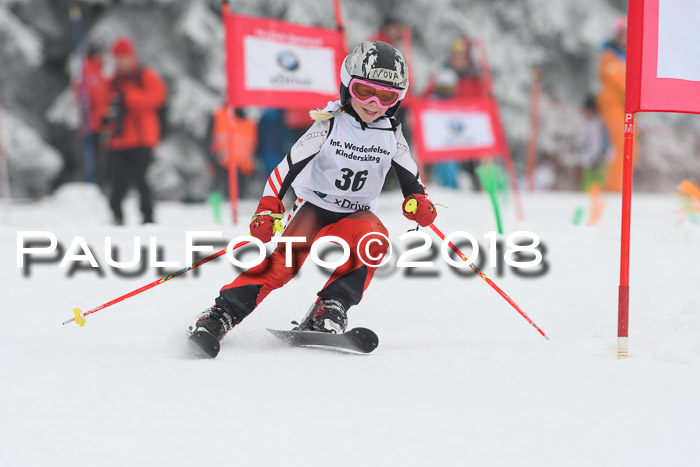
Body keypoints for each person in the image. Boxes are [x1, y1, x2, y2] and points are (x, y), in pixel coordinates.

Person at [189, 41, 437, 357]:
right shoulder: (330, 122)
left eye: (386, 97)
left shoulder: (391, 133)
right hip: (315, 208)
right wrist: (268, 208)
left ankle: (330, 307)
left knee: (375, 239)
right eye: (364, 92)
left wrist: (418, 201)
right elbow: (285, 168)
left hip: (355, 215)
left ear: (397, 100)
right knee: (282, 267)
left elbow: (411, 179)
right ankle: (220, 315)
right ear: (348, 86)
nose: (374, 104)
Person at [99, 37, 167, 224]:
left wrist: (128, 98)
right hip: (118, 140)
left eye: (124, 57)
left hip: (142, 139)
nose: (121, 62)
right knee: (116, 181)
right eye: (117, 58)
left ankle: (148, 217)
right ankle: (116, 215)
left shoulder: (145, 76)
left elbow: (157, 97)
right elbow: (103, 105)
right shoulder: (113, 82)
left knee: (141, 180)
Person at [597, 16, 632, 192]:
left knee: (631, 146)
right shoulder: (609, 55)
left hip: (627, 106)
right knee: (621, 145)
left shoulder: (629, 56)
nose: (626, 37)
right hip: (613, 105)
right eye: (624, 33)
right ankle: (614, 187)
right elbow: (620, 80)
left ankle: (621, 185)